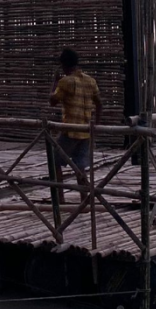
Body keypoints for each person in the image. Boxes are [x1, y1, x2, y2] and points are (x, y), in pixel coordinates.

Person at [49, 48, 102, 199]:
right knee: (80, 166)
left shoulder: (65, 81)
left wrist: (54, 82)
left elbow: (52, 101)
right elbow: (99, 104)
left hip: (70, 131)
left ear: (64, 65)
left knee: (54, 161)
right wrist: (96, 126)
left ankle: (59, 198)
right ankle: (84, 198)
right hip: (85, 131)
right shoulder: (90, 81)